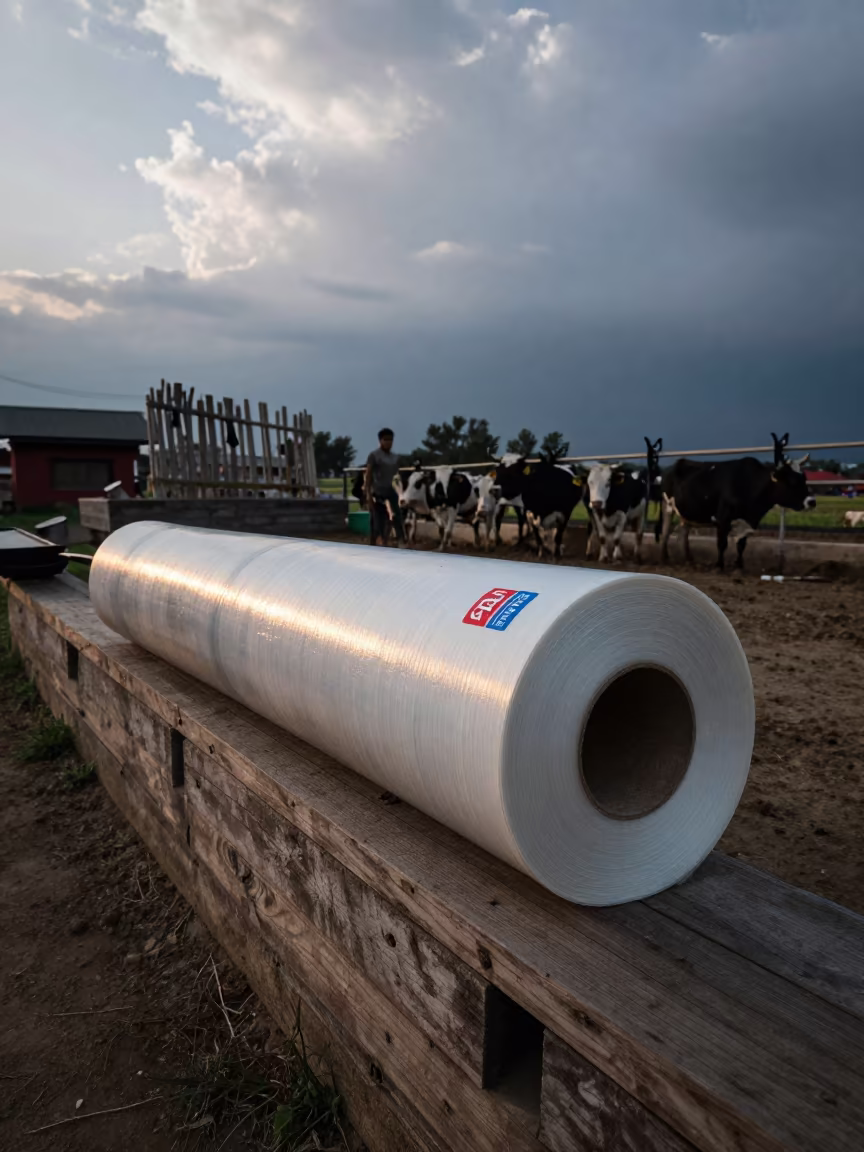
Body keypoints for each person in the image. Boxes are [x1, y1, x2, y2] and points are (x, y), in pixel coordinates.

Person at [364, 428, 407, 547]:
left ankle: (401, 540)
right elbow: (368, 475)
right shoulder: (374, 456)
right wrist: (368, 493)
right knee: (378, 518)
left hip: (391, 489)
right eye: (385, 440)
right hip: (378, 491)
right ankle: (377, 540)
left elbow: (397, 476)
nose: (388, 442)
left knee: (397, 515)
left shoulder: (395, 457)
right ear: (380, 441)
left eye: (390, 440)